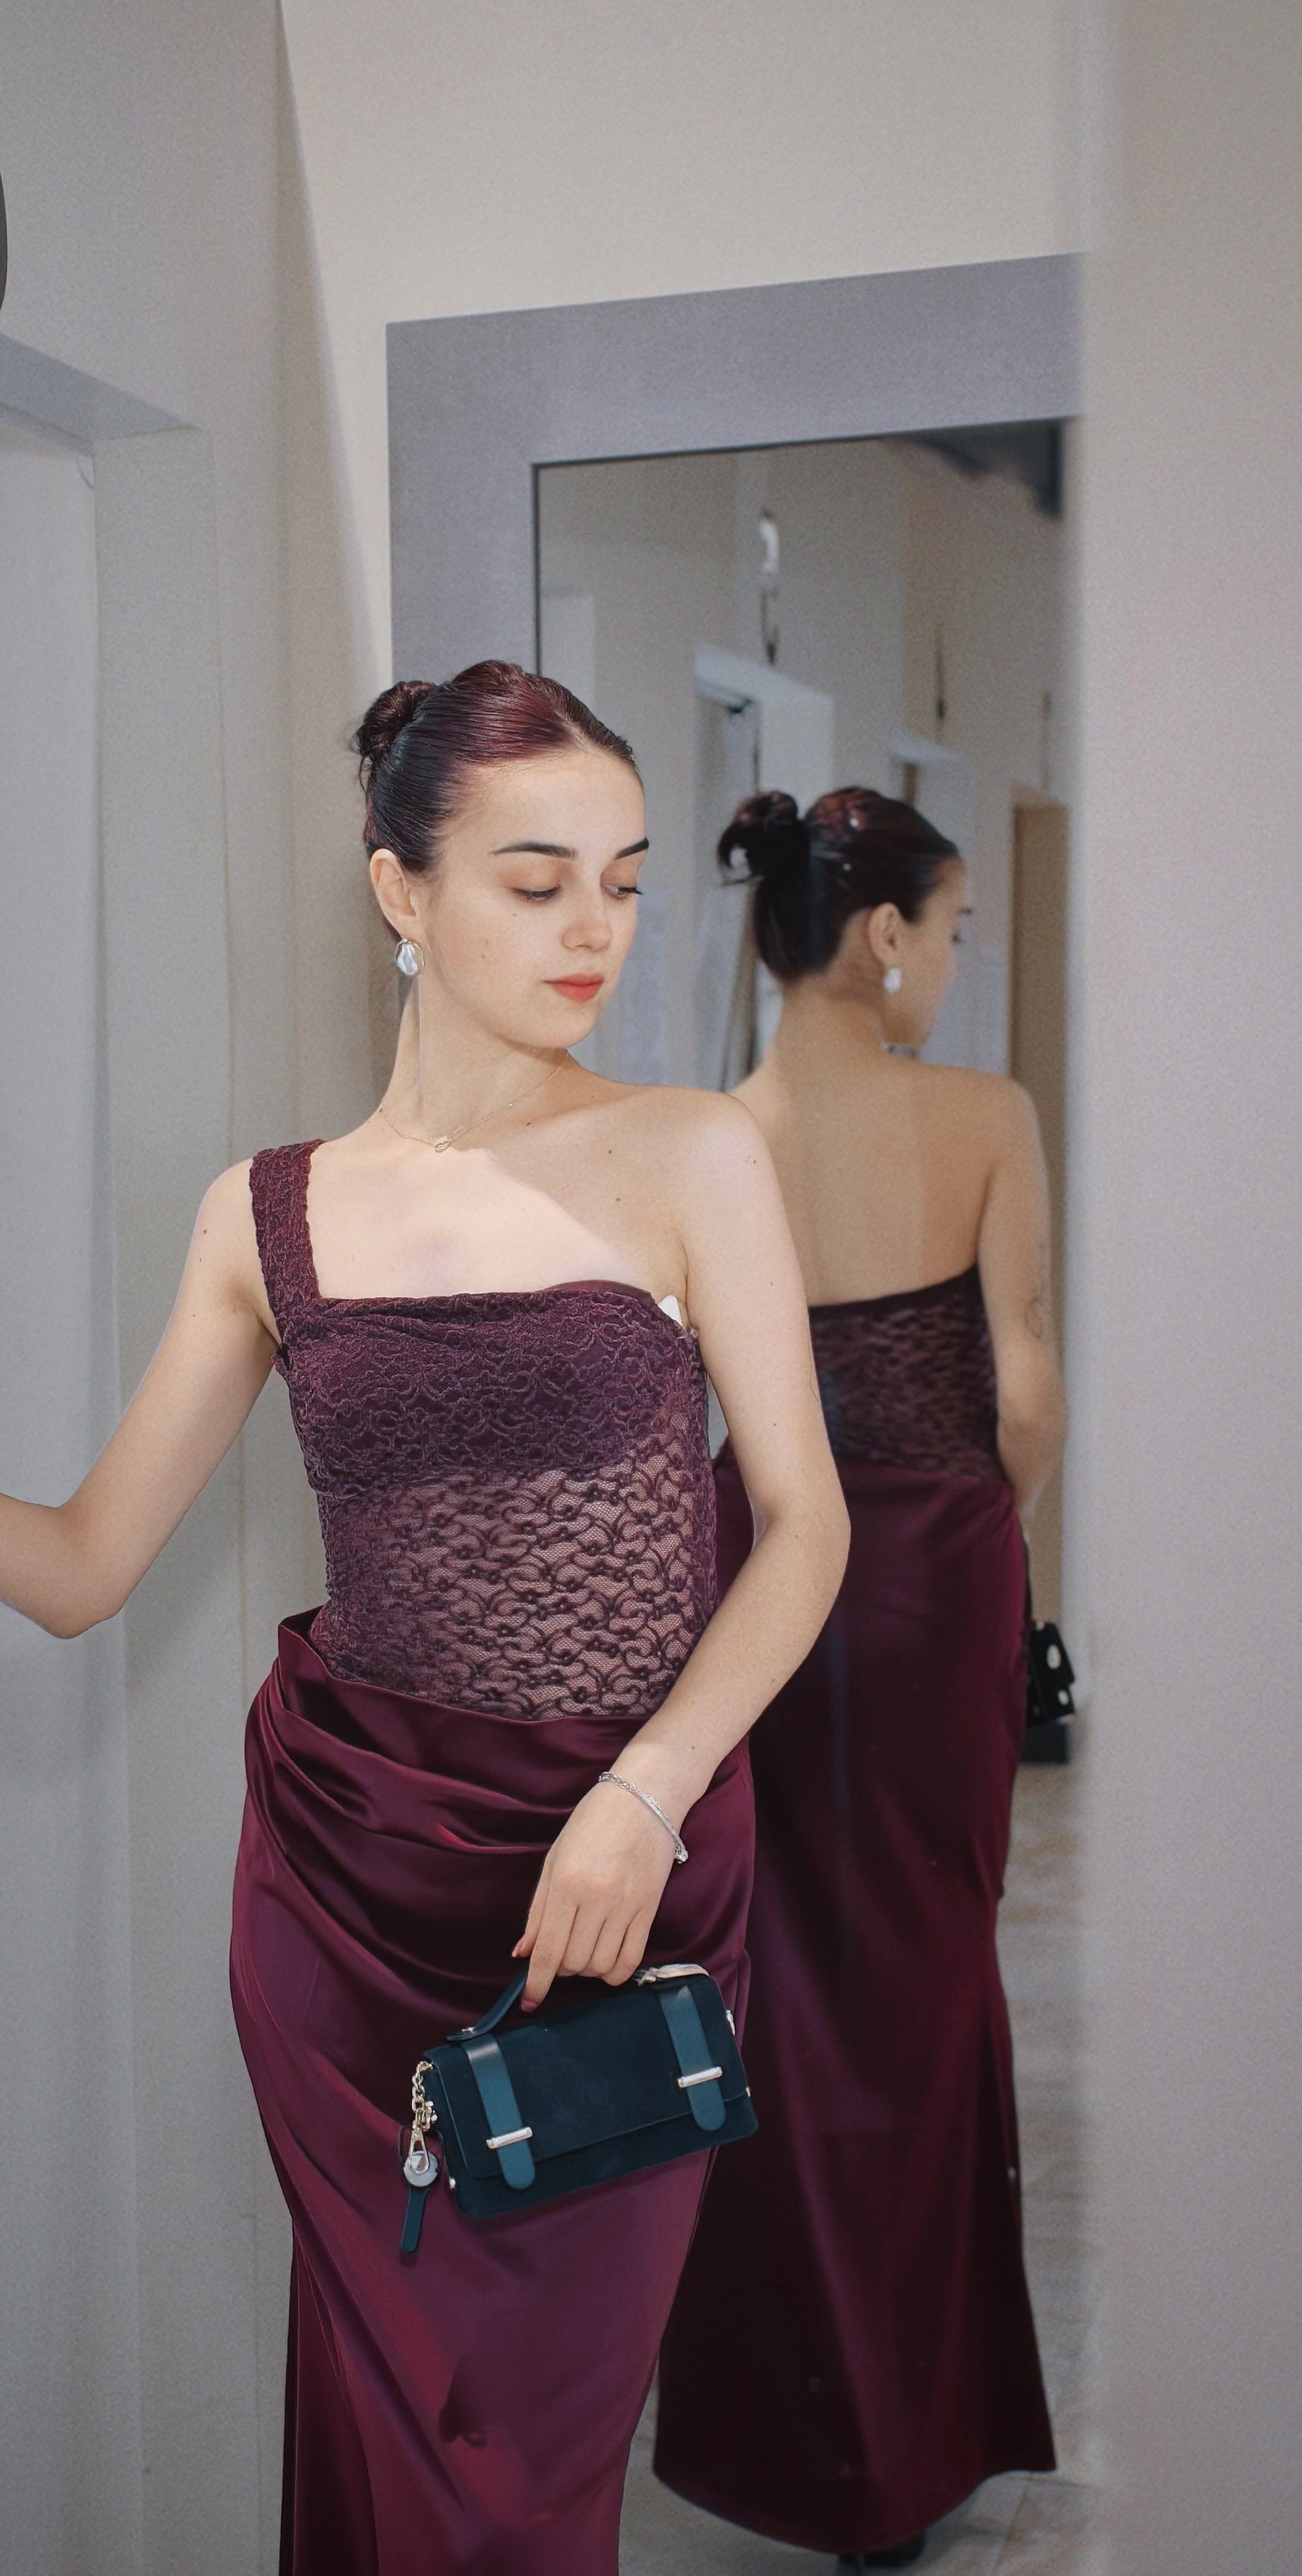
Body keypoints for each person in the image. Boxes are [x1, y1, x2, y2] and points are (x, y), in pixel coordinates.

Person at [0, 663, 847, 2575]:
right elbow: (84, 1569)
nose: (593, 929)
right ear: (401, 890)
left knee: (532, 2470)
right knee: (392, 2435)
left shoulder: (695, 1154)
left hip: (625, 1876)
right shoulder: (267, 1217)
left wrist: (645, 1794)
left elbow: (806, 1528)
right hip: (354, 1895)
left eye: (623, 882)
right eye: (536, 882)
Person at [653, 788, 1067, 2570]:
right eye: (954, 929)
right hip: (934, 1581)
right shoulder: (986, 1116)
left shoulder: (705, 1139)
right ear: (885, 933)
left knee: (782, 1986)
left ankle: (802, 2442)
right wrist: (981, 1525)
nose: (953, 961)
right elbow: (1023, 1386)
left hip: (758, 1577)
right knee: (928, 1976)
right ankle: (918, 2433)